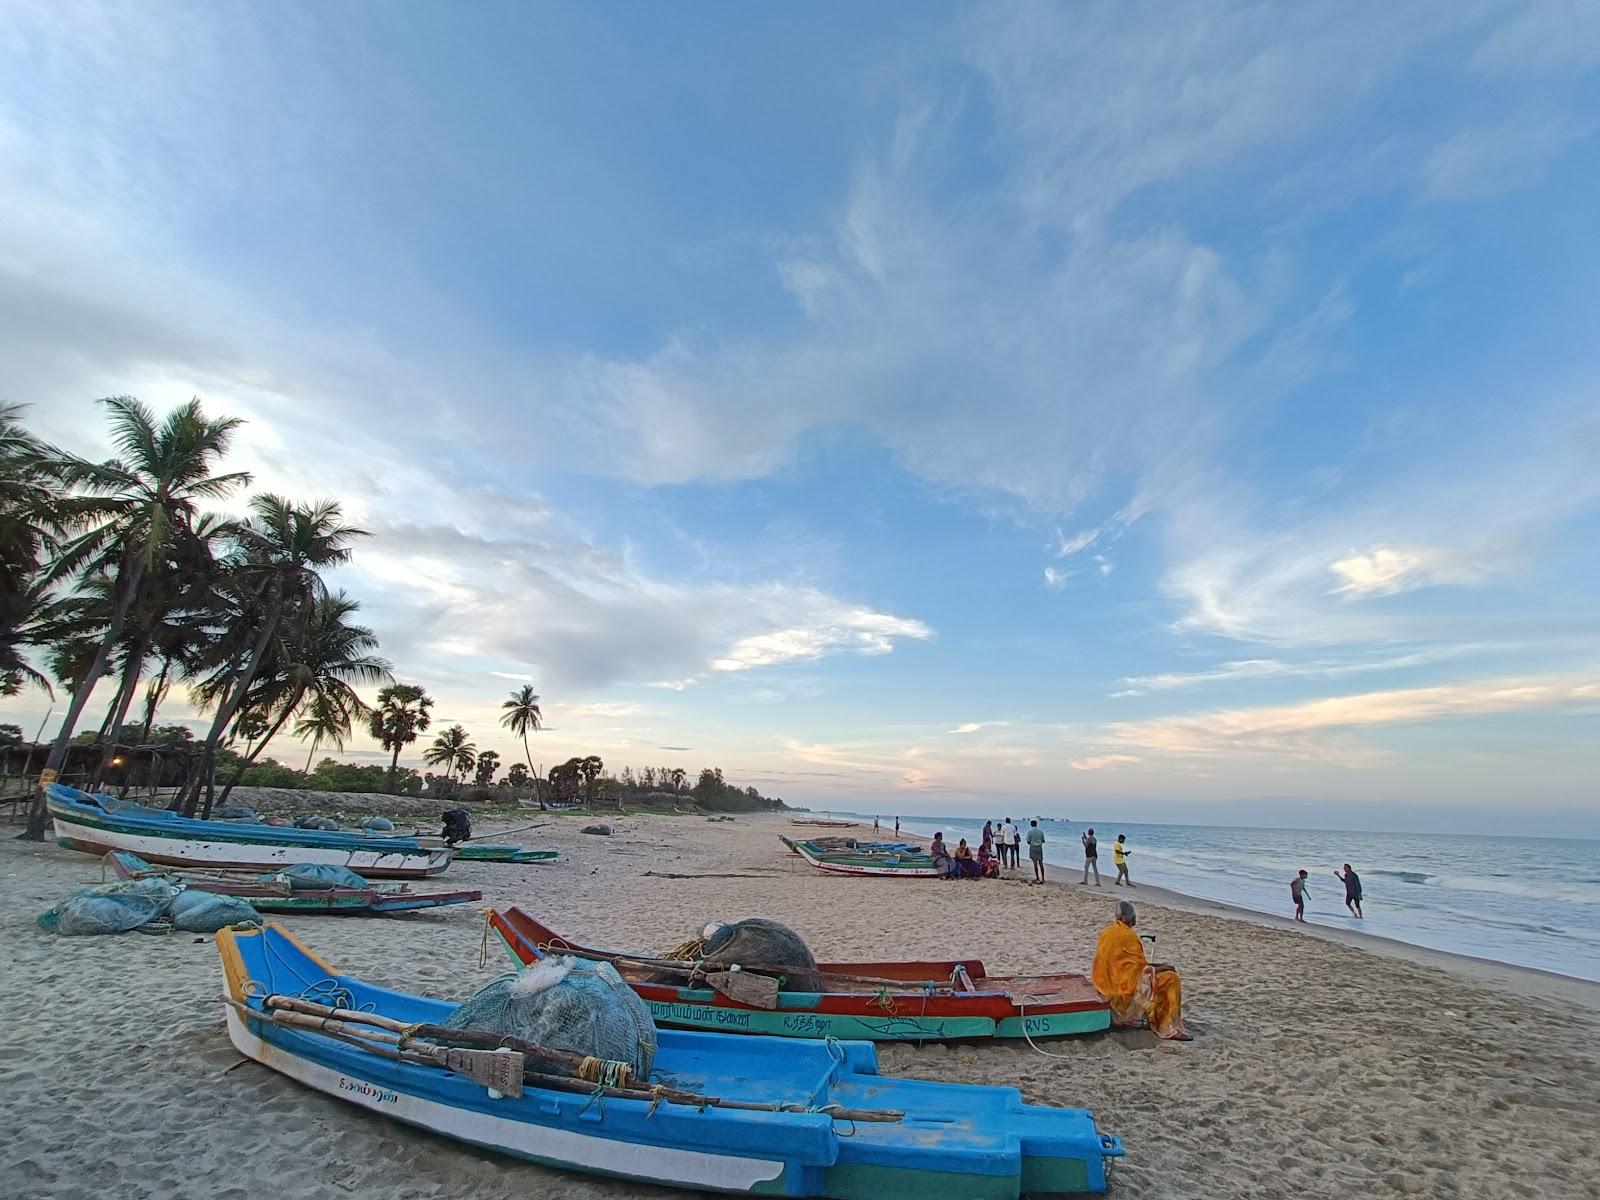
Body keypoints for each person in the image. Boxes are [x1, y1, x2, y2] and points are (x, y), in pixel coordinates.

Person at [1091, 900, 1189, 1040]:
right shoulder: (1129, 937)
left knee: (1162, 974)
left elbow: (1131, 967)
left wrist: (1159, 966)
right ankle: (1169, 1025)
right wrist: (1165, 968)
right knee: (1171, 979)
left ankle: (1157, 1016)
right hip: (1123, 997)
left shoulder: (1106, 933)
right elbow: (1142, 973)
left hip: (1105, 987)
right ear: (1130, 918)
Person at [1026, 819, 1046, 884]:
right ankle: (1042, 878)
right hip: (1039, 847)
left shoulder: (1029, 832)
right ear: (1036, 824)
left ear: (1031, 824)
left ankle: (1037, 877)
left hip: (1033, 847)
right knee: (1041, 863)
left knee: (1035, 863)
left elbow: (1028, 841)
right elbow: (1043, 841)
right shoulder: (1040, 832)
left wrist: (1032, 843)